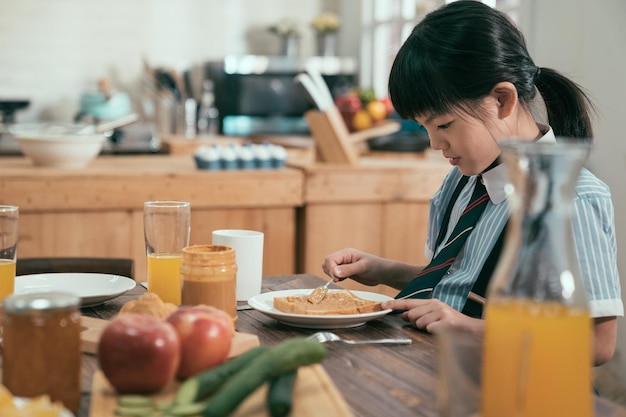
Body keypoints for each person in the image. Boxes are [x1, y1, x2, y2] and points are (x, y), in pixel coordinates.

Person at [321, 0, 623, 366]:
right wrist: (382, 270)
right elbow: (459, 284)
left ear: (502, 100)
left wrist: (471, 329)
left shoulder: (572, 197)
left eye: (444, 125)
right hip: (441, 368)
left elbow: (596, 344)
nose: (435, 143)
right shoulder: (462, 183)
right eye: (425, 128)